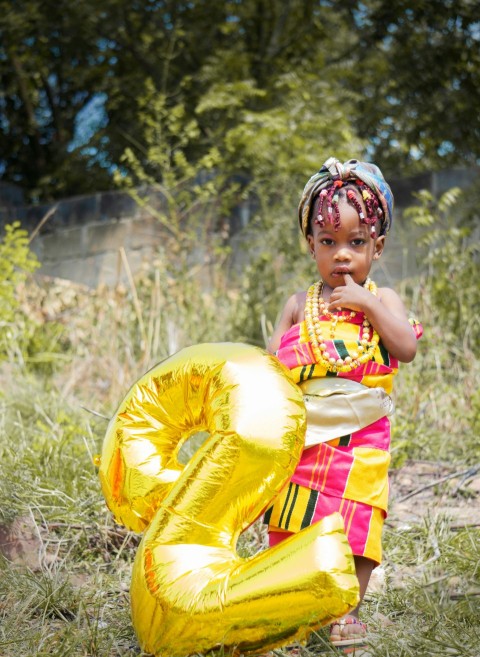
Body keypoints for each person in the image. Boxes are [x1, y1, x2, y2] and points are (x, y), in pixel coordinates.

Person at [263, 157, 422, 649]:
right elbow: (269, 367)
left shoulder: (384, 298)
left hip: (361, 440)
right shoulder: (298, 303)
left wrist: (370, 306)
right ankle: (297, 608)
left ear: (377, 245)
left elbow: (407, 348)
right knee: (293, 519)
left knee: (356, 523)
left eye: (356, 243)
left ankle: (346, 613)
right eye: (328, 242)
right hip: (303, 439)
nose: (342, 256)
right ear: (311, 244)